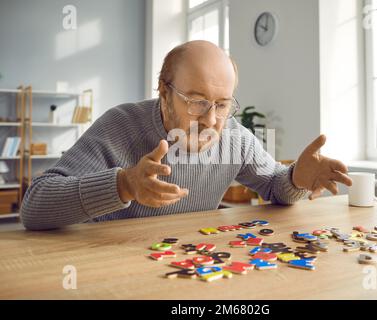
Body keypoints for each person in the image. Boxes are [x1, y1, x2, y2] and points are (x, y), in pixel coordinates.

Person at [20, 40, 352, 231]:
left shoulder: (234, 137)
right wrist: (124, 185)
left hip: (192, 265)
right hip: (117, 268)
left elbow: (276, 186)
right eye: (196, 102)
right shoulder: (119, 125)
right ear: (164, 92)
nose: (211, 120)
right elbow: (34, 207)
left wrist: (297, 178)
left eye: (222, 105)